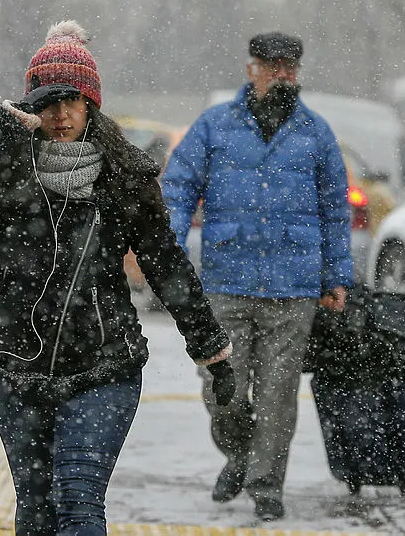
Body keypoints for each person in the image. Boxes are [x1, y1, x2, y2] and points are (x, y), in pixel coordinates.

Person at [0, 20, 236, 536]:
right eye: (48, 101)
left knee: (78, 507)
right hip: (17, 367)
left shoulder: (124, 175)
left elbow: (167, 265)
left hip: (104, 365)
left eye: (73, 100)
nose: (60, 115)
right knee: (36, 515)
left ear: (92, 104)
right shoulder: (10, 167)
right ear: (31, 103)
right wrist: (3, 128)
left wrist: (210, 348)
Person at [161, 32, 353, 521]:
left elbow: (334, 209)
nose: (281, 75)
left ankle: (267, 483)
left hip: (293, 284)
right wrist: (169, 247)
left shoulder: (316, 133)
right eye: (271, 67)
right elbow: (179, 188)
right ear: (252, 70)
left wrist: (336, 275)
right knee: (220, 385)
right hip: (226, 279)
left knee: (277, 393)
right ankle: (240, 453)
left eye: (289, 67)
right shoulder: (215, 126)